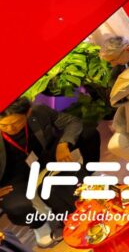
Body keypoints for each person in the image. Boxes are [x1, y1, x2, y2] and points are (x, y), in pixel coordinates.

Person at [0, 97, 100, 247]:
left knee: (89, 134)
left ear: (28, 113)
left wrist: (63, 143)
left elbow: (72, 122)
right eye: (4, 125)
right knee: (17, 206)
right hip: (15, 177)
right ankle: (38, 225)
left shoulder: (39, 112)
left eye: (16, 123)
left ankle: (89, 177)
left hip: (45, 157)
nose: (11, 129)